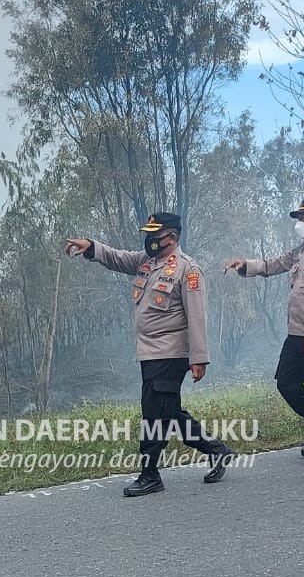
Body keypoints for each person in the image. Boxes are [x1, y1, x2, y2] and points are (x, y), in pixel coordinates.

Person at [65, 212, 233, 496]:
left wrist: (198, 357)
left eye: (155, 235)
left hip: (171, 353)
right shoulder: (148, 262)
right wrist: (90, 246)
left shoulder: (187, 269)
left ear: (172, 237)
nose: (150, 240)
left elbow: (197, 316)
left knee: (154, 415)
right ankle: (216, 450)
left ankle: (150, 474)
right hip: (150, 353)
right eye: (149, 235)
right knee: (166, 411)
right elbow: (117, 258)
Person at [224, 198, 304, 465]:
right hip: (296, 334)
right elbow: (273, 265)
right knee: (287, 384)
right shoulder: (302, 251)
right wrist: (245, 265)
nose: (300, 223)